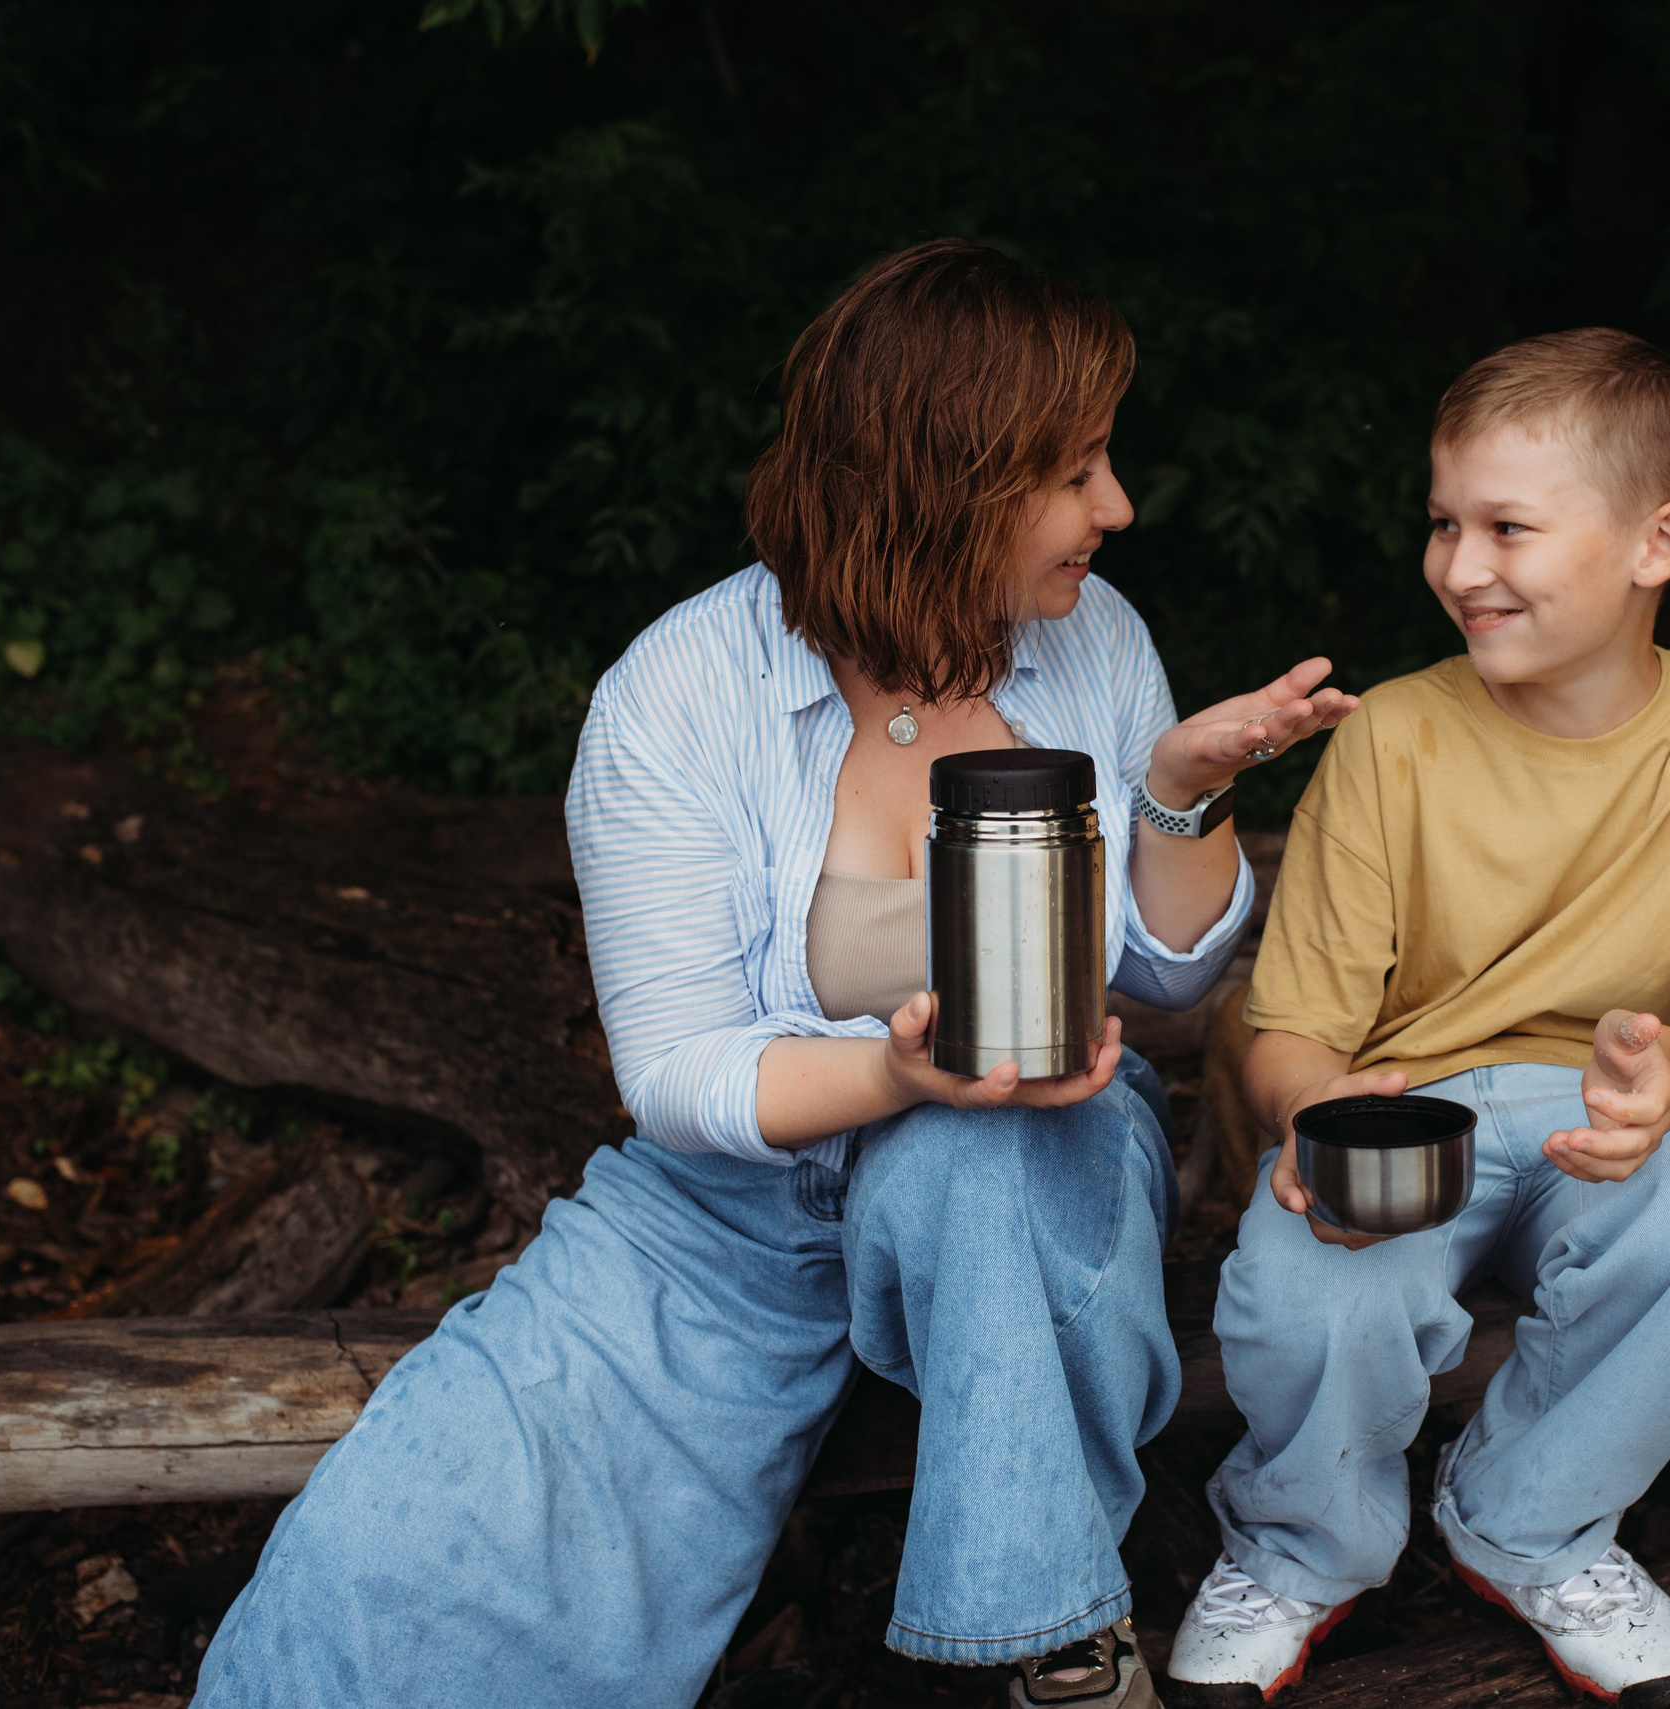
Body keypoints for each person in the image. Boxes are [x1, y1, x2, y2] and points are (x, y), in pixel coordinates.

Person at [192, 240, 1356, 1709]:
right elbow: (676, 1073)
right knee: (426, 1533)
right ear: (947, 483)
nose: (1116, 507)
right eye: (1074, 473)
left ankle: (1061, 1652)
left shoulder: (1094, 643)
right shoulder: (679, 694)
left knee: (972, 1158)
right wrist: (893, 1071)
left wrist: (1183, 791)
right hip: (726, 1216)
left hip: (1037, 1166)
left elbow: (1168, 983)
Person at [1164, 330, 1670, 1707]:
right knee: (1308, 1276)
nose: (1462, 567)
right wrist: (1312, 1110)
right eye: (1443, 524)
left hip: (1614, 1124)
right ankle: (1302, 1545)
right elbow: (1291, 1033)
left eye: (1508, 528)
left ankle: (1532, 1519)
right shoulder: (1392, 736)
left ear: (1658, 541)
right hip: (1412, 1119)